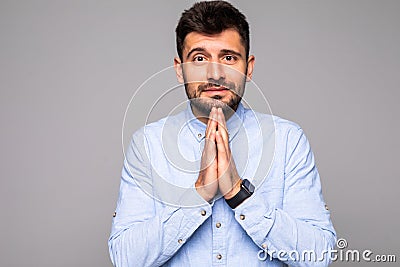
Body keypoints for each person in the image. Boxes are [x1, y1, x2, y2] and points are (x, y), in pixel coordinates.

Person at [108, 1, 336, 266]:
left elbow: (320, 255)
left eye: (229, 58)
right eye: (199, 59)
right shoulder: (147, 145)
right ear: (179, 68)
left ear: (248, 68)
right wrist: (197, 197)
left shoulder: (288, 141)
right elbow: (125, 259)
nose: (215, 74)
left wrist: (239, 194)